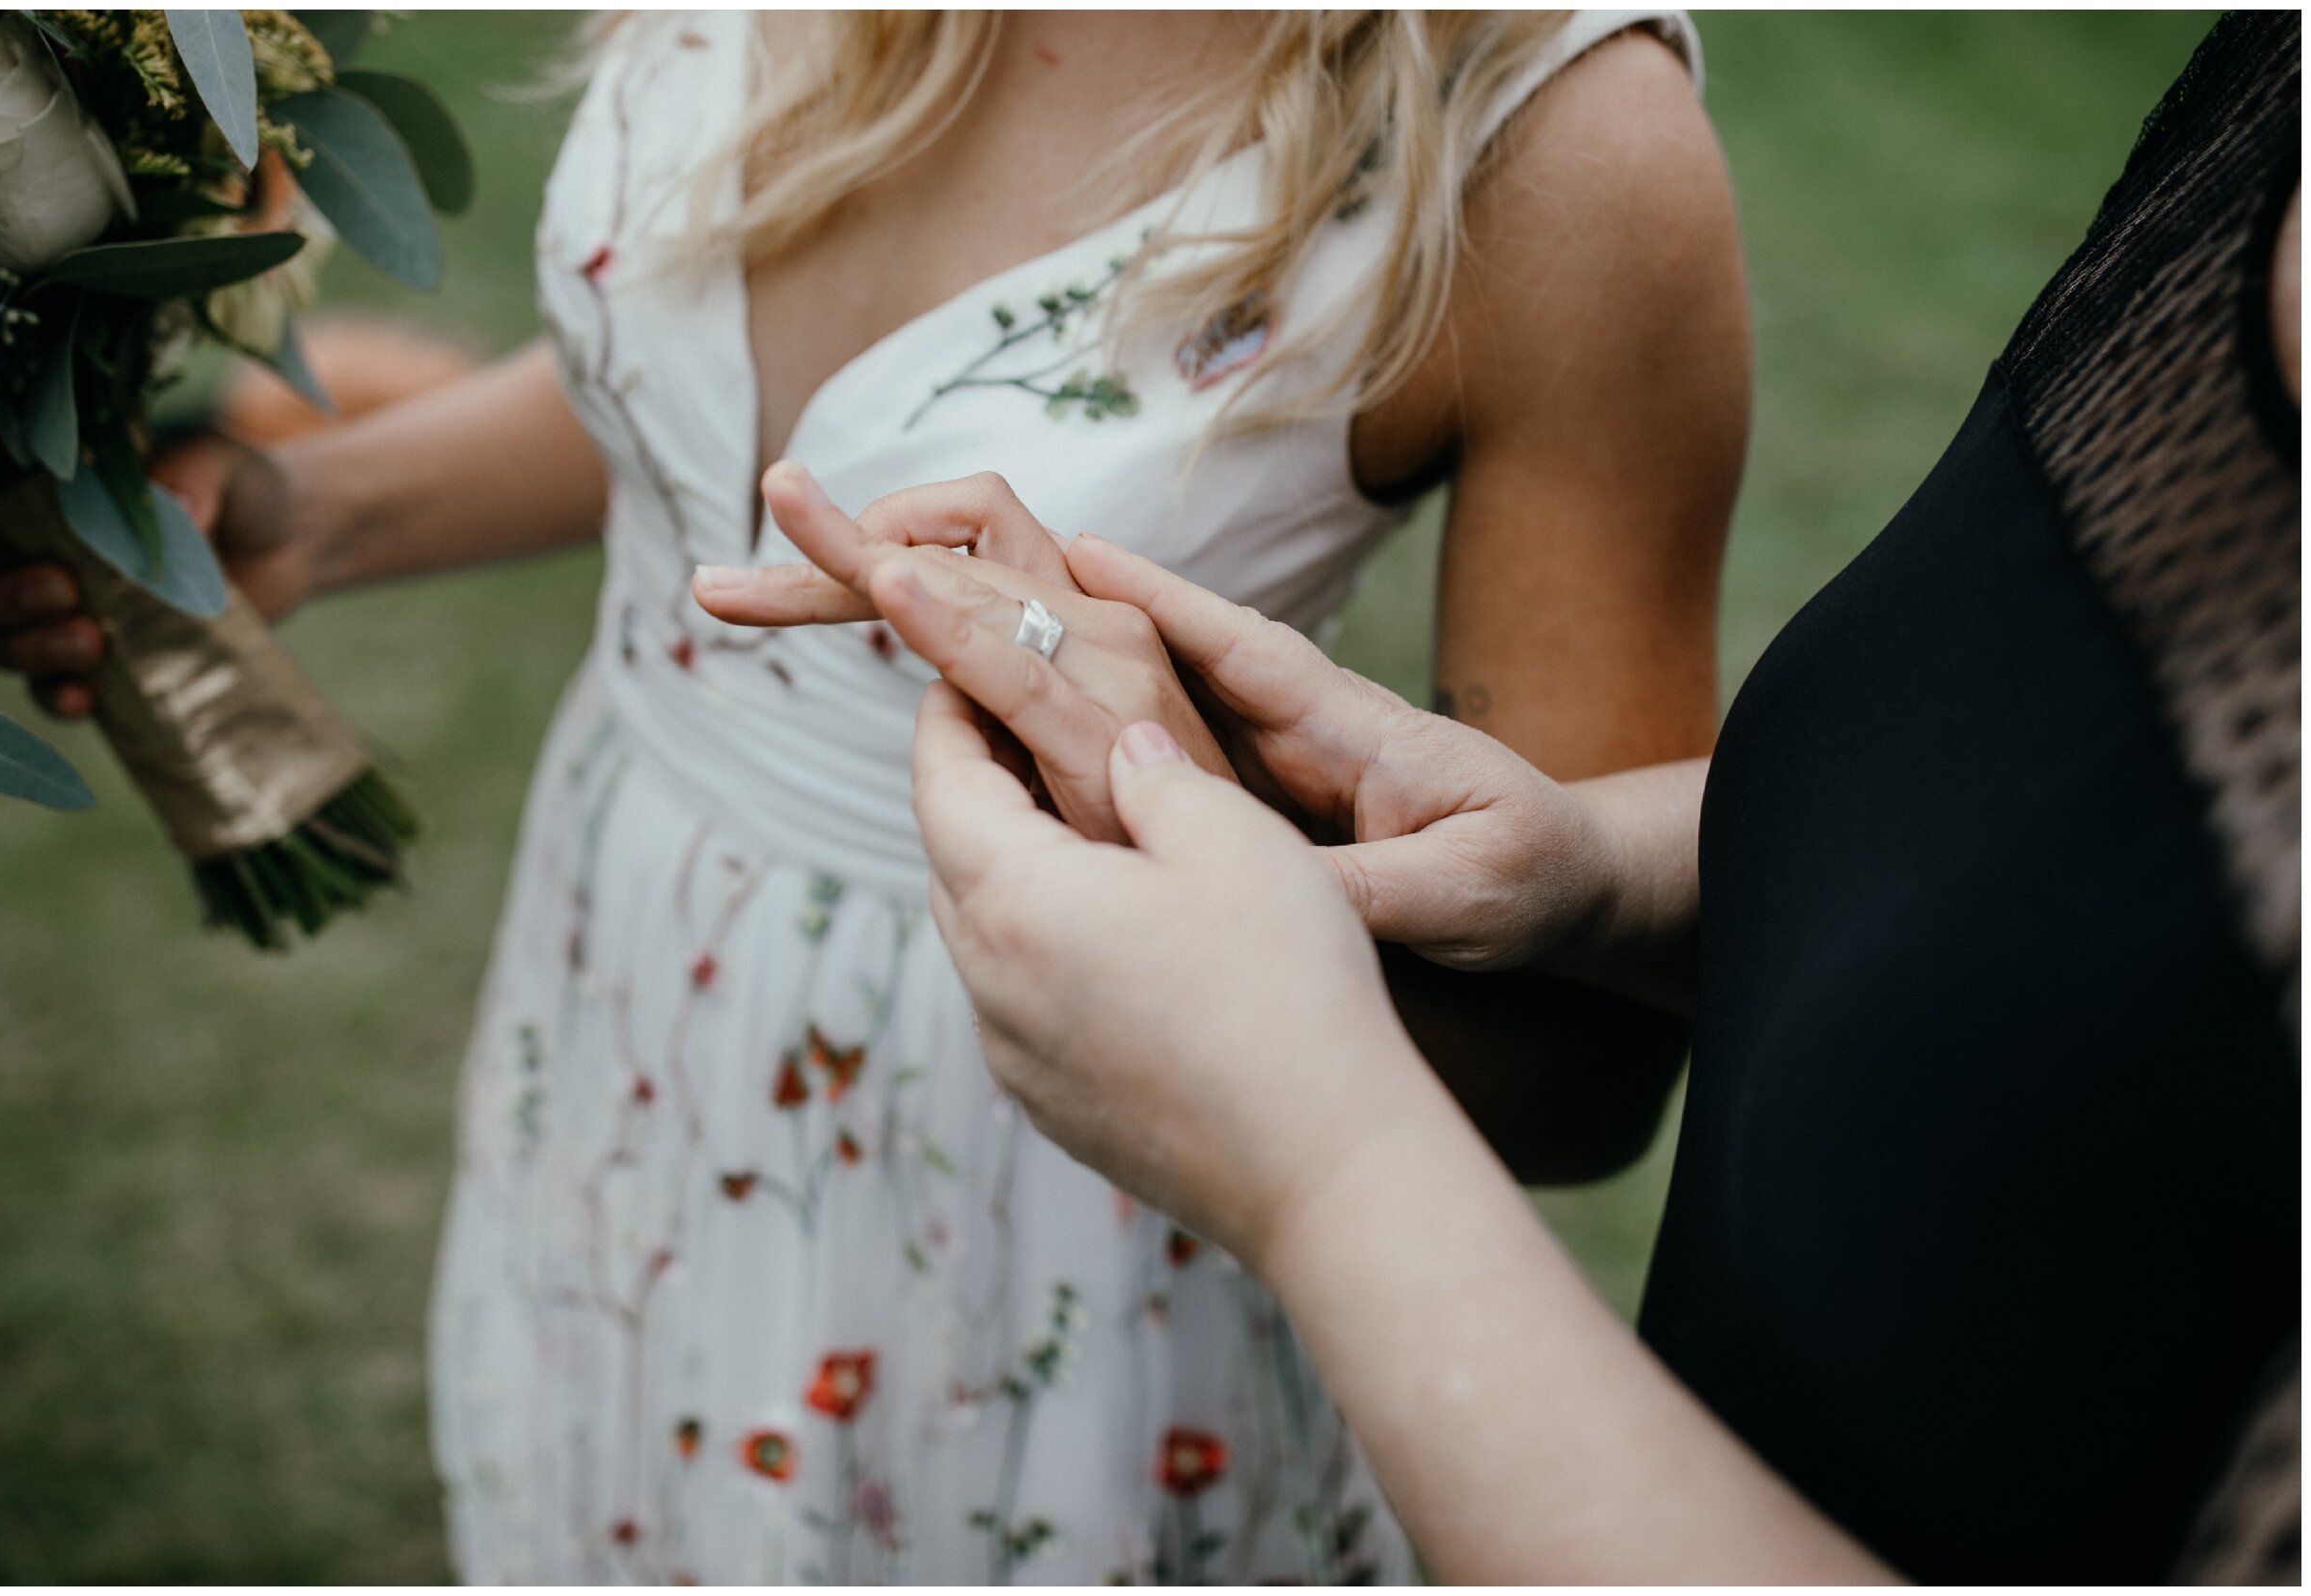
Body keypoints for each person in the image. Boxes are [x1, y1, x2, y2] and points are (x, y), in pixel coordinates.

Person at [0, 11, 1749, 1583]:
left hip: (1057, 1160)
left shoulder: (1552, 136)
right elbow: (723, 421)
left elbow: (1580, 1066)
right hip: (626, 1026)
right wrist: (329, 511)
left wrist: (1176, 812)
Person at [707, 10, 2300, 1583]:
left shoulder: (1561, 139)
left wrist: (1325, 1156)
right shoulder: (2271, 90)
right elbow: (2059, 825)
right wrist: (1594, 864)